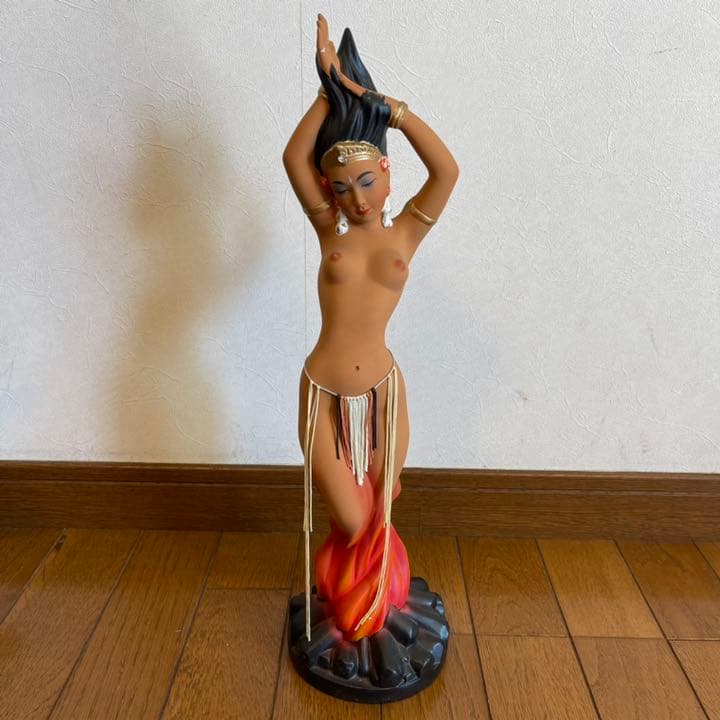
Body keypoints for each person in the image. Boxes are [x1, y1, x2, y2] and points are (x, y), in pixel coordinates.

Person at [282, 14, 459, 645]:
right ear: (327, 190)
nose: (356, 199)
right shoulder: (327, 228)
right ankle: (350, 596)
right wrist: (329, 88)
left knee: (382, 509)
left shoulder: (406, 230)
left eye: (366, 182)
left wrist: (390, 110)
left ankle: (371, 609)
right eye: (341, 187)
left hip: (384, 395)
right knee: (355, 522)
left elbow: (447, 171)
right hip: (323, 393)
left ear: (386, 173)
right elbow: (291, 157)